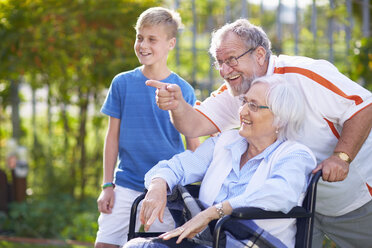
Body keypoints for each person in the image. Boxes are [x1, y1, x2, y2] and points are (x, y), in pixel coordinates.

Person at [147, 19, 372, 247]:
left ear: (260, 54)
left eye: (232, 60)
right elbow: (194, 126)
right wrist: (176, 105)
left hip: (352, 197)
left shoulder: (304, 74)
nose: (225, 70)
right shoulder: (239, 90)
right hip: (293, 208)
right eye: (220, 63)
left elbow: (364, 105)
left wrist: (342, 156)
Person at [124, 76, 317, 248]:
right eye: (244, 102)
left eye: (254, 106)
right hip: (206, 239)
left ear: (280, 119)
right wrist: (158, 184)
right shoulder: (227, 141)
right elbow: (180, 165)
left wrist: (214, 212)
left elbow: (278, 194)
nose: (242, 111)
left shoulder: (295, 155)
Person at [95, 7, 199, 248]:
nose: (143, 45)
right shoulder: (121, 83)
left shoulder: (183, 90)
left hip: (167, 190)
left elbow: (193, 146)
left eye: (152, 39)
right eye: (140, 37)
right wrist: (107, 185)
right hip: (126, 184)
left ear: (171, 43)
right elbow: (112, 137)